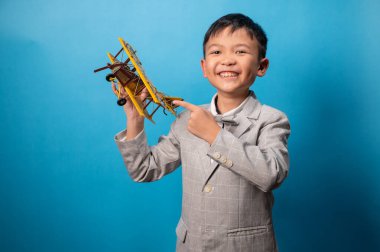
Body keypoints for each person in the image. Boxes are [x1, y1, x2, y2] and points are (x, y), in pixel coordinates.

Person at [114, 13, 291, 252]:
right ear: (204, 67)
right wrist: (134, 117)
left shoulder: (271, 119)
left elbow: (271, 175)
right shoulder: (187, 118)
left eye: (240, 51)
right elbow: (144, 169)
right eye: (217, 52)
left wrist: (215, 135)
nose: (227, 60)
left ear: (261, 66)